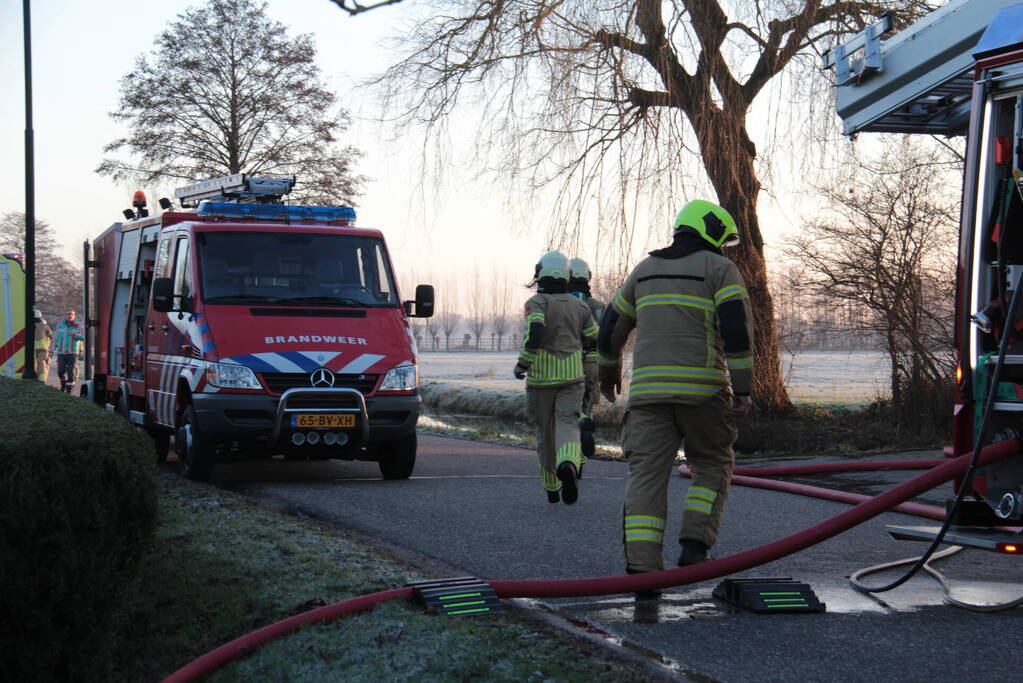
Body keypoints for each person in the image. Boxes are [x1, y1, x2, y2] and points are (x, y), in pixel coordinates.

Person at [598, 199, 753, 593]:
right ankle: (694, 545)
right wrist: (744, 388)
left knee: (646, 477)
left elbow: (610, 325)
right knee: (713, 462)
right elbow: (736, 331)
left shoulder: (645, 270)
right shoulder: (720, 269)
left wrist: (608, 373)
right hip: (703, 393)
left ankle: (642, 570)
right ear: (713, 231)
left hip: (648, 397)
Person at [514, 251, 599, 505]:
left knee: (545, 433)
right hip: (572, 377)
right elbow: (592, 335)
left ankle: (551, 485)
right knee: (568, 424)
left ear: (542, 273)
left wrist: (522, 364)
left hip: (542, 379)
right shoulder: (580, 305)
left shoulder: (536, 302)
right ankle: (569, 465)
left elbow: (535, 332)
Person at [567, 258, 605, 470]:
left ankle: (569, 454)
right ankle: (585, 433)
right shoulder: (597, 307)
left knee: (566, 408)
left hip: (566, 360)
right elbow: (606, 335)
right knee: (587, 403)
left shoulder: (562, 304)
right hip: (592, 360)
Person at [52, 309, 85, 394]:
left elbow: (84, 338)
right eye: (68, 314)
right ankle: (63, 384)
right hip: (61, 353)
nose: (70, 315)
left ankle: (69, 391)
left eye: (71, 314)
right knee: (60, 371)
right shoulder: (60, 325)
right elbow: (54, 338)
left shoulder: (78, 326)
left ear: (74, 316)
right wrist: (51, 349)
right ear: (66, 316)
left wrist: (76, 335)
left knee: (71, 372)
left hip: (72, 353)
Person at [32, 309, 53, 382]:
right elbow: (51, 335)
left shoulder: (29, 325)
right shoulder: (44, 325)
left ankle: (33, 378)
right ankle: (42, 379)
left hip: (32, 348)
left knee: (33, 364)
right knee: (42, 363)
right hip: (43, 348)